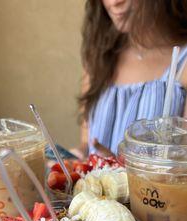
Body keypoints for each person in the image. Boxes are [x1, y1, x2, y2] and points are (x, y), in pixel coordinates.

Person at [72, 0, 187, 159]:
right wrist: (75, 157)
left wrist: (119, 169)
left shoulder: (183, 64)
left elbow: (181, 169)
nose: (114, 2)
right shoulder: (99, 57)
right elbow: (87, 144)